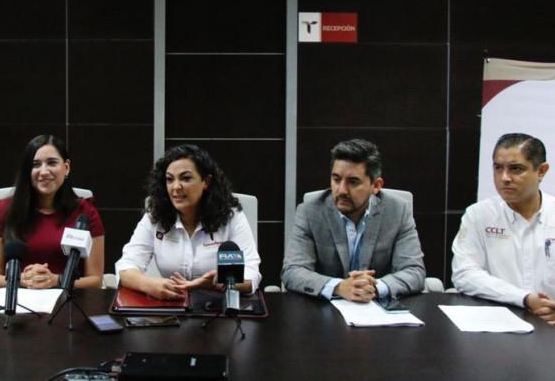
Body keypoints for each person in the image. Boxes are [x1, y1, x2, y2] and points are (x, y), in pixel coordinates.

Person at [281, 138, 425, 302]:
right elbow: (292, 271)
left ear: (376, 186)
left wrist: (374, 287)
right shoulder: (310, 212)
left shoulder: (398, 211)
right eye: (336, 179)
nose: (341, 190)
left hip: (377, 308)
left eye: (353, 182)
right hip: (325, 310)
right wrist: (338, 287)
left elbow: (414, 271)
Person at [116, 144, 261, 299]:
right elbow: (125, 266)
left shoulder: (230, 216)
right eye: (169, 179)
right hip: (172, 305)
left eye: (185, 178)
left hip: (218, 307)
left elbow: (251, 275)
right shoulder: (156, 215)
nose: (176, 187)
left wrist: (218, 282)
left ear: (206, 181)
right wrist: (150, 285)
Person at [452, 133, 555, 325]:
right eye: (498, 168)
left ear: (541, 171)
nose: (504, 178)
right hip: (496, 323)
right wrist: (524, 299)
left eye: (516, 169)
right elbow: (464, 274)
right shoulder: (479, 215)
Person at [0, 135, 104, 289]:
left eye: (52, 163)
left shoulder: (85, 213)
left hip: (67, 299)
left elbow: (95, 280)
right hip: (18, 298)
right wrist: (22, 280)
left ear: (66, 167)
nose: (44, 172)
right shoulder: (6, 210)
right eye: (35, 165)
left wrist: (56, 280)